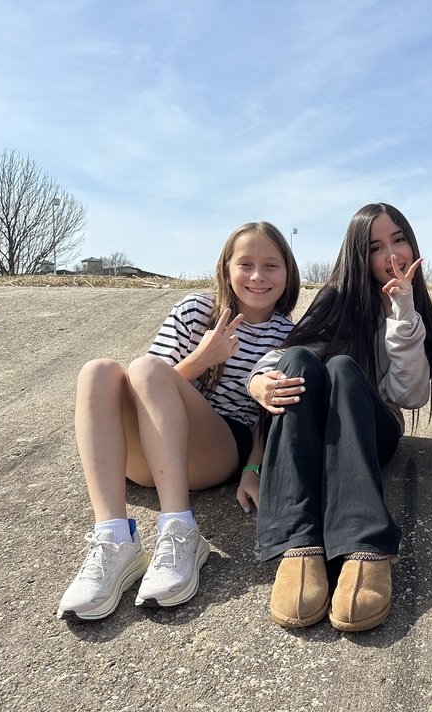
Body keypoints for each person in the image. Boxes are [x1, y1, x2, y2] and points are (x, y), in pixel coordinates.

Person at [57, 222, 300, 620]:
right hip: (151, 457)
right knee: (97, 371)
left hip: (216, 448)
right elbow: (143, 384)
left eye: (271, 266)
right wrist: (203, 358)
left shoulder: (287, 334)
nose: (258, 276)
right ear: (225, 269)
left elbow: (268, 413)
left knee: (149, 370)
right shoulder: (195, 309)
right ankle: (113, 539)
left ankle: (180, 530)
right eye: (246, 264)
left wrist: (253, 469)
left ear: (287, 274)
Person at [246, 203, 432, 632]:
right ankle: (299, 543)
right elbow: (288, 356)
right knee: (300, 358)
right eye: (376, 247)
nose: (392, 254)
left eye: (399, 240)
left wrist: (403, 311)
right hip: (324, 436)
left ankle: (365, 542)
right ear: (357, 255)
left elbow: (410, 395)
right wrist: (258, 379)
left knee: (342, 368)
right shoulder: (336, 299)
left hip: (377, 431)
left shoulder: (415, 304)